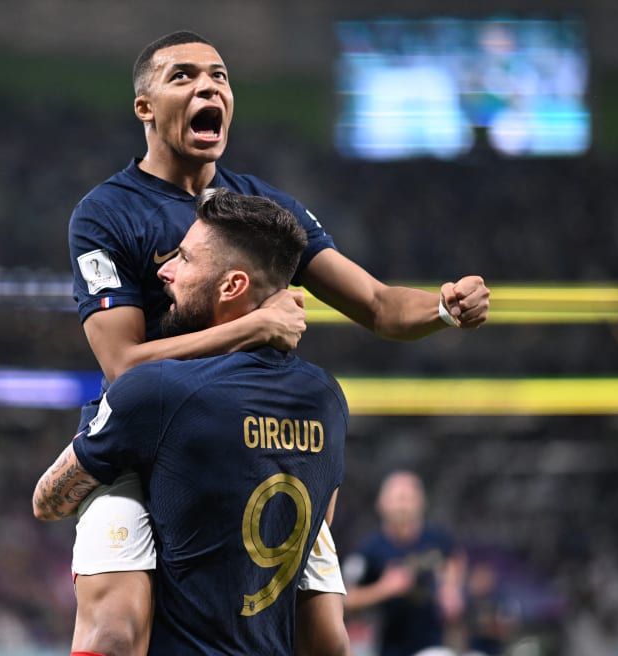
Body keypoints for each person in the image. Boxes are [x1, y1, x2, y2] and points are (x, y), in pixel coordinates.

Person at [64, 29, 490, 655]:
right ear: (144, 107)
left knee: (328, 644)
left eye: (220, 76)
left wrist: (444, 308)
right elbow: (123, 365)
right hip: (144, 442)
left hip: (261, 444)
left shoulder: (263, 209)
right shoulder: (105, 214)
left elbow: (376, 304)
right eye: (182, 76)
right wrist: (252, 326)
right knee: (116, 633)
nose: (208, 85)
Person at [36, 188, 349, 654]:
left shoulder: (157, 391)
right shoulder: (327, 397)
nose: (164, 270)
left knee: (111, 632)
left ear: (231, 286)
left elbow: (48, 501)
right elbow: (320, 518)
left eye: (183, 257)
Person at [342, 471, 466, 656]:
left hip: (434, 643)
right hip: (387, 646)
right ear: (381, 503)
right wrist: (384, 588)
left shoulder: (437, 539)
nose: (403, 505)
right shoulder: (368, 550)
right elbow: (344, 600)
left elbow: (454, 558)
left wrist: (451, 586)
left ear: (422, 502)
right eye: (398, 498)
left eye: (409, 498)